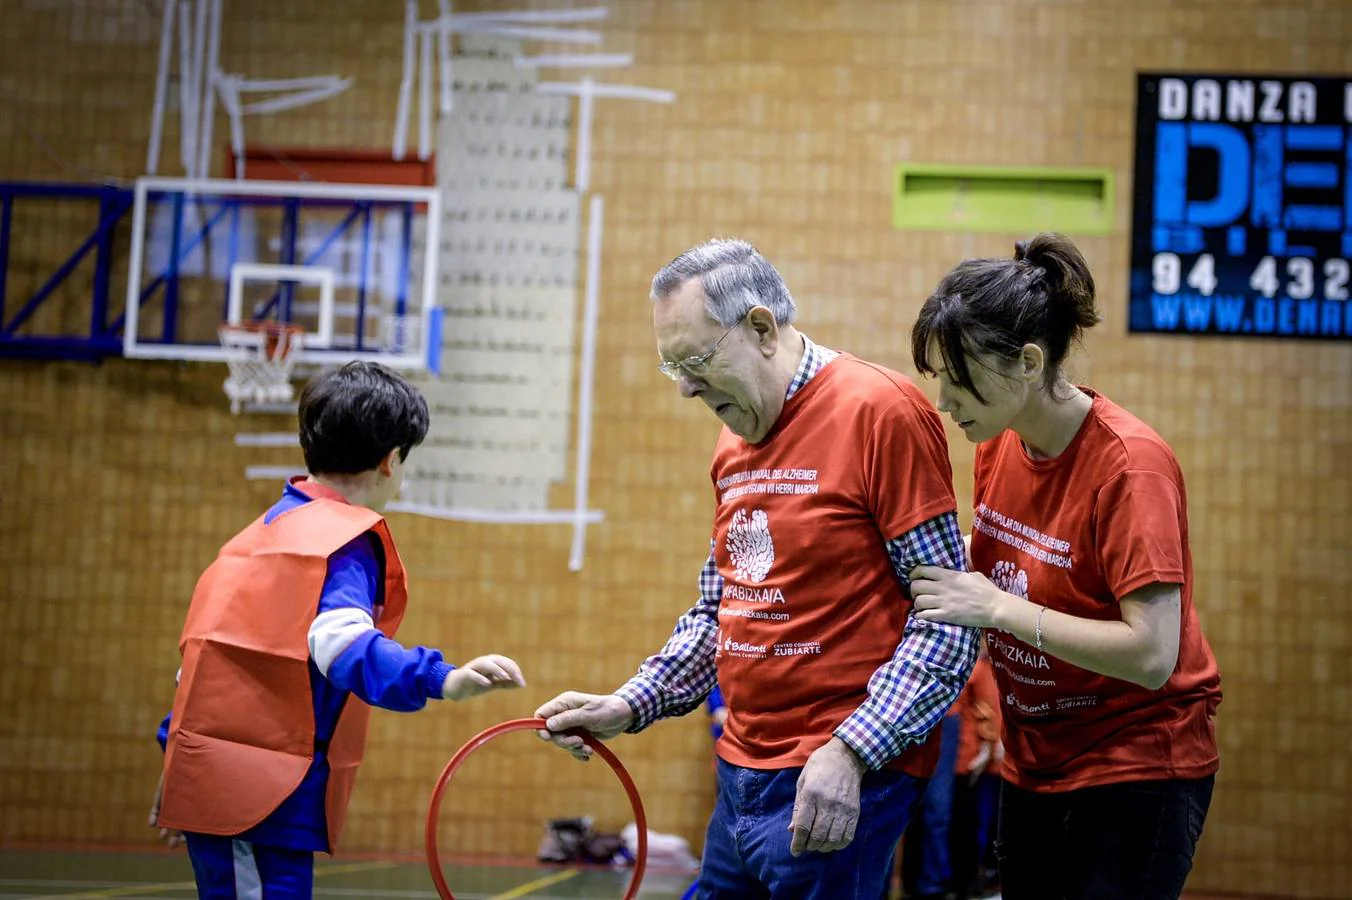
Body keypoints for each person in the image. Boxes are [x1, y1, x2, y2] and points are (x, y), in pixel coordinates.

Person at [532, 239, 981, 899]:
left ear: (762, 328)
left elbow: (949, 621)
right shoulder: (732, 438)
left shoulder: (879, 412)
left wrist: (851, 752)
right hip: (741, 774)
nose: (685, 387)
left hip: (837, 777)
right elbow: (721, 612)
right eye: (671, 367)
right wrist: (628, 703)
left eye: (695, 361)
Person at [906, 233, 1223, 900]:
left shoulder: (1131, 468)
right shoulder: (1001, 444)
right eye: (942, 380)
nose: (946, 402)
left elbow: (1152, 654)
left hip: (1136, 765)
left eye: (961, 380)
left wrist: (995, 608)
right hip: (1036, 761)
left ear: (1028, 361)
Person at [147, 361, 526, 899]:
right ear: (392, 461)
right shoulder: (341, 541)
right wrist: (442, 677)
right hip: (260, 796)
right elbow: (341, 642)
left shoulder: (256, 536)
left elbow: (200, 664)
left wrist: (179, 757)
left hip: (226, 783)